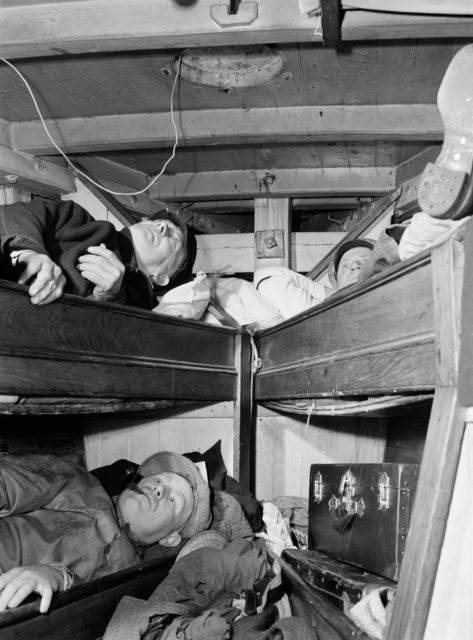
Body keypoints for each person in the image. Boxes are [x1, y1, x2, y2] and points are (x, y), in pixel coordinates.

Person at [0, 450, 253, 614]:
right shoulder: (76, 482)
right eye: (159, 479)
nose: (159, 489)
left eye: (173, 500)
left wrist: (57, 577)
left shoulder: (131, 586)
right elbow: (9, 482)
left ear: (169, 538)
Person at [0, 199, 196, 309]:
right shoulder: (78, 217)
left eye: (173, 239)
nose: (162, 226)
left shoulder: (138, 307)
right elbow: (16, 213)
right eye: (158, 222)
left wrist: (110, 297)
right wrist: (28, 252)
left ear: (161, 278)